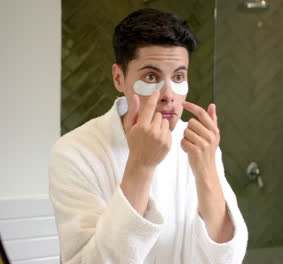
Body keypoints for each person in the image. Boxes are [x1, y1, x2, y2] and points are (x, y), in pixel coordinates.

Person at [48, 8, 248, 264]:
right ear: (119, 78)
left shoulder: (199, 145)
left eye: (178, 76)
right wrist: (141, 165)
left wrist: (206, 169)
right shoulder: (74, 152)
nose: (168, 94)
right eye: (151, 76)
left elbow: (227, 259)